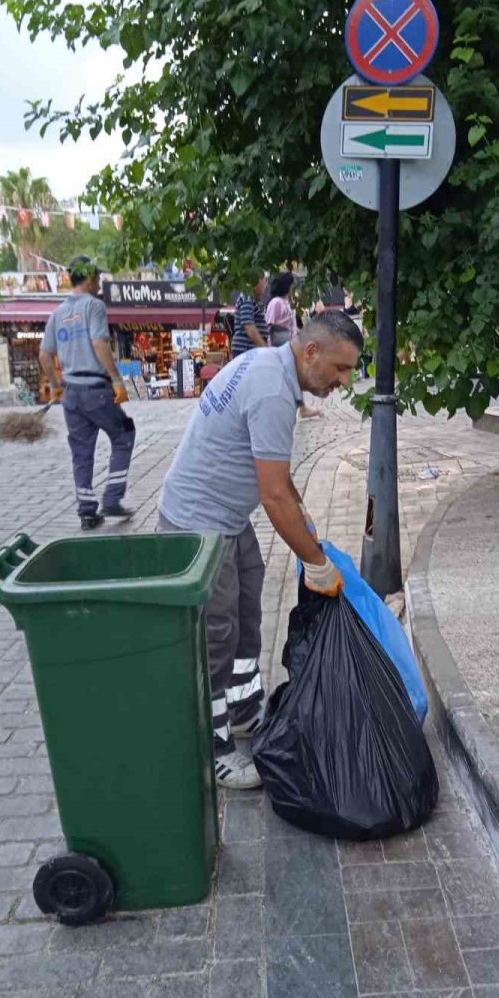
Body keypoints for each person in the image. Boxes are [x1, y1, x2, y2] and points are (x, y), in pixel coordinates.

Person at [157, 309, 364, 789]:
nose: (343, 381)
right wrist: (316, 563)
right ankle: (212, 748)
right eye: (340, 368)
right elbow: (271, 496)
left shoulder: (270, 367)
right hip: (198, 526)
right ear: (311, 352)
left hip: (226, 518)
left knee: (247, 616)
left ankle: (245, 712)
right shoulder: (273, 389)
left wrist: (301, 508)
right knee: (215, 637)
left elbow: (274, 472)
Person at [40, 255, 136, 530]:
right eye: (98, 278)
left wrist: (56, 387)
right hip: (95, 389)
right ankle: (112, 499)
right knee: (124, 434)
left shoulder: (57, 314)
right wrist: (117, 380)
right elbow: (98, 343)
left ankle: (87, 512)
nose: (99, 283)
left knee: (81, 453)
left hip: (71, 394)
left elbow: (45, 355)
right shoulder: (94, 306)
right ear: (90, 278)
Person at [265, 273, 321, 421]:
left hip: (290, 343)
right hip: (281, 343)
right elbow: (269, 325)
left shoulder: (286, 302)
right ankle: (298, 406)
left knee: (296, 374)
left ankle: (301, 406)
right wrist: (269, 347)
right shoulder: (276, 303)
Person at [230, 274, 269, 358]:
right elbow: (249, 327)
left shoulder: (255, 300)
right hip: (245, 349)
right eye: (264, 280)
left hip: (250, 350)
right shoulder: (247, 298)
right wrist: (265, 350)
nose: (266, 284)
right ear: (255, 281)